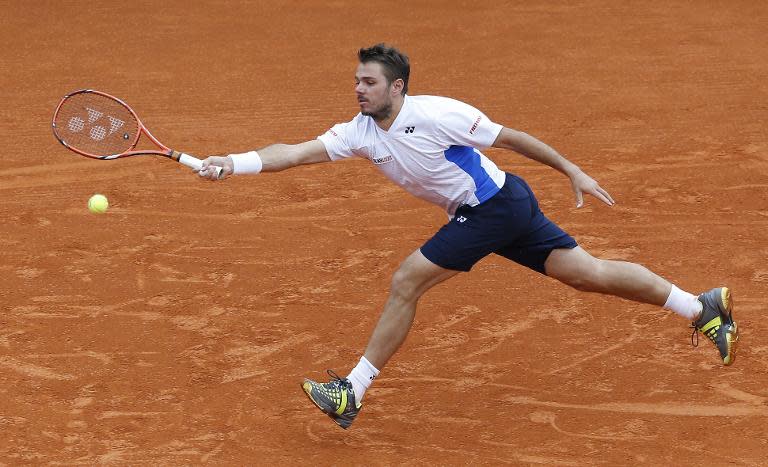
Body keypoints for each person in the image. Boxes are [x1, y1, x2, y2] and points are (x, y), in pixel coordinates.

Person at [197, 44, 738, 430]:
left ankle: (351, 391)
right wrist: (233, 163)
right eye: (357, 80)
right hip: (504, 205)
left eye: (369, 82)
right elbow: (292, 153)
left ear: (397, 87)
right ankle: (700, 305)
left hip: (494, 207)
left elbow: (512, 138)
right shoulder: (357, 132)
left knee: (407, 279)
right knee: (587, 274)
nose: (357, 89)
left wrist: (571, 169)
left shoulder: (438, 114)